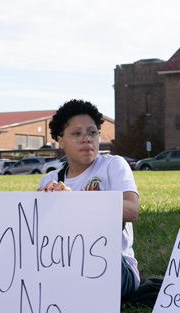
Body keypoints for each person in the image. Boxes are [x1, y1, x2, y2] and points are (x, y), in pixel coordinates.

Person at [37, 99, 140, 297]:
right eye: (76, 133)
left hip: (115, 268)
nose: (86, 139)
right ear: (60, 140)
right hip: (66, 262)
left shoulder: (112, 166)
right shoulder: (50, 180)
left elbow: (131, 210)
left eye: (92, 132)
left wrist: (74, 202)